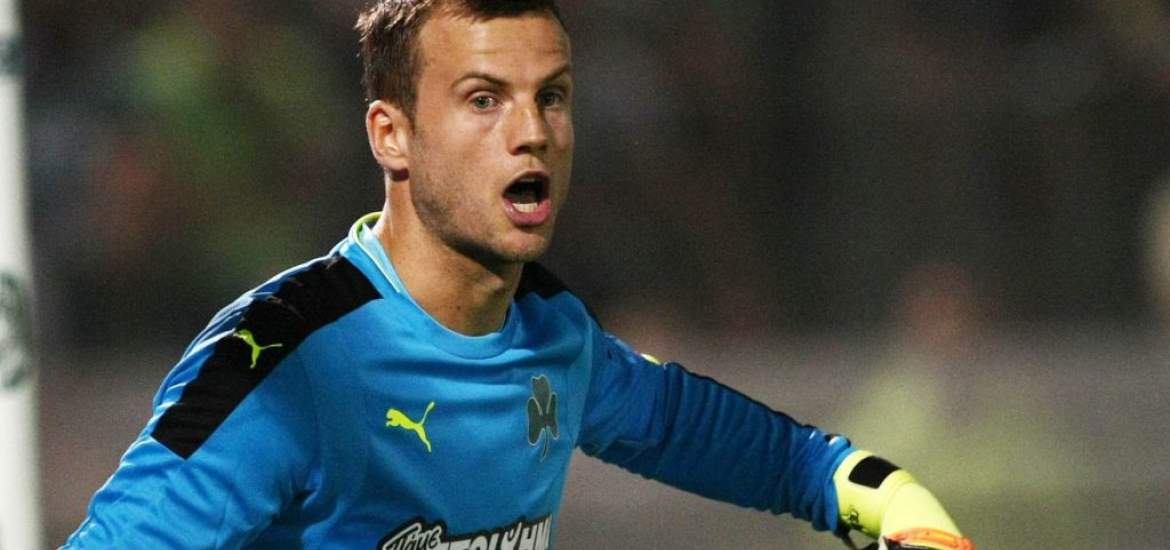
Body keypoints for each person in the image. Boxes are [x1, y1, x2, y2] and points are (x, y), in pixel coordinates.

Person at [63, 1, 974, 548]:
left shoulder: (553, 337)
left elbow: (772, 457)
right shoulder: (285, 362)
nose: (531, 132)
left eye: (553, 96)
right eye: (483, 99)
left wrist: (888, 496)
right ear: (391, 135)